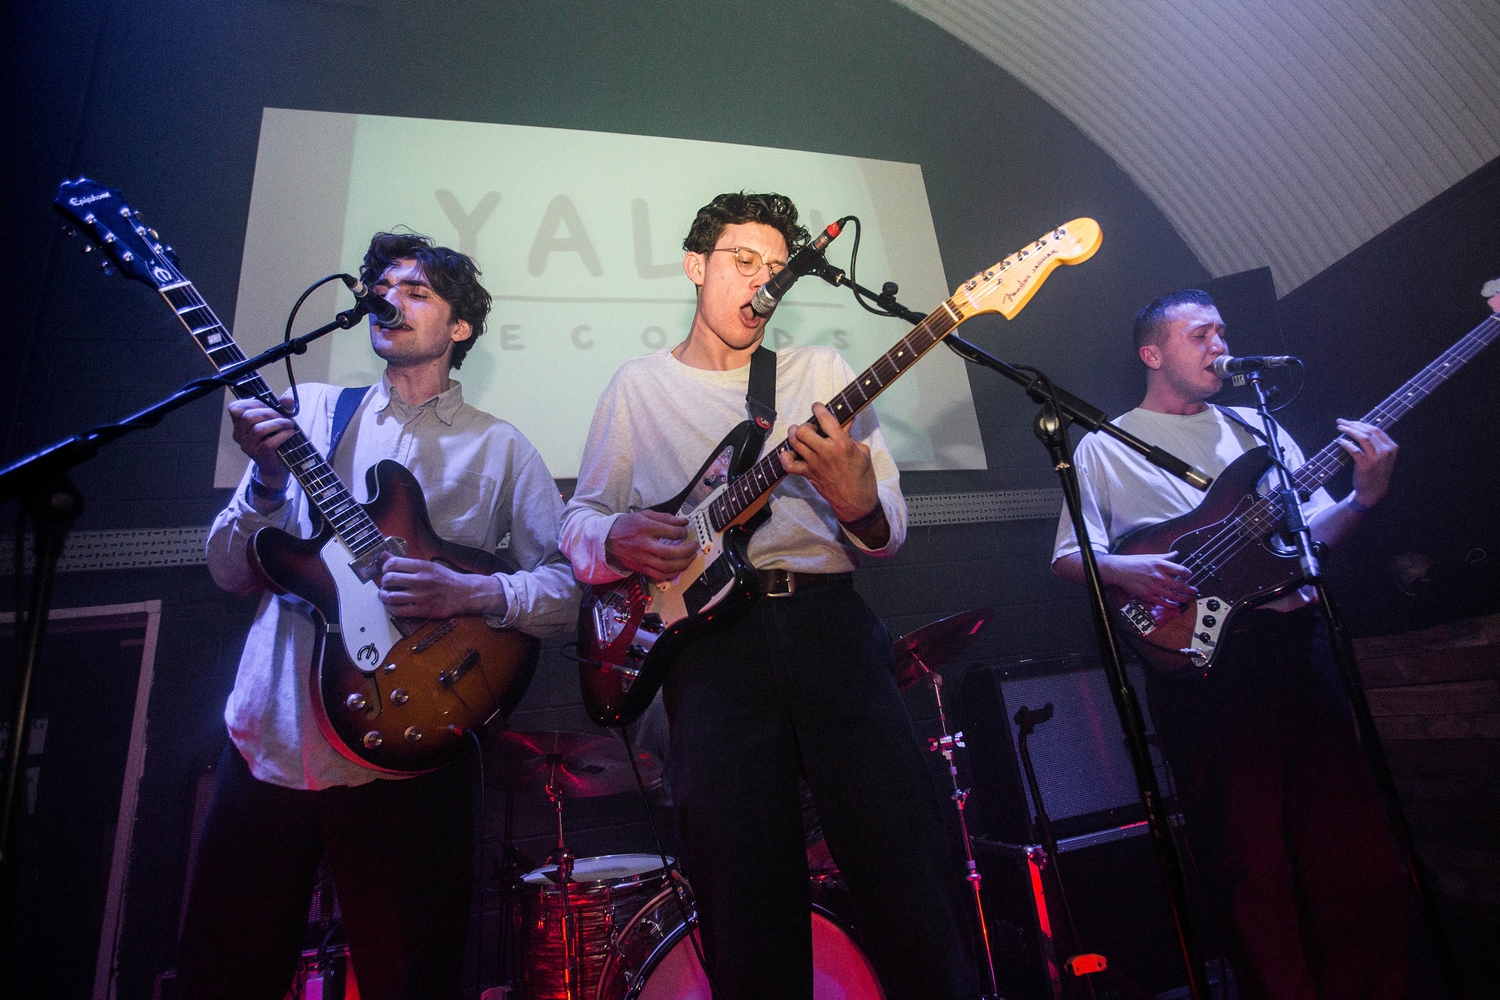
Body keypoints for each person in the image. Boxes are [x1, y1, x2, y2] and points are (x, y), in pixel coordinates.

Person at [560, 192, 978, 999]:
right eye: (743, 262)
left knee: (906, 874)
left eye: (776, 270)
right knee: (746, 908)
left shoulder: (818, 372)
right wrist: (613, 539)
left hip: (828, 630)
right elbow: (578, 521)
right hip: (712, 663)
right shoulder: (635, 388)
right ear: (695, 266)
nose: (761, 282)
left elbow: (888, 533)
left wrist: (855, 499)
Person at [178, 232, 579, 1000]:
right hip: (271, 741)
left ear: (461, 327)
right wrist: (264, 481)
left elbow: (564, 595)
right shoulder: (313, 414)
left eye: (418, 289)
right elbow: (231, 570)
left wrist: (471, 594)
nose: (390, 298)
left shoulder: (502, 449)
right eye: (383, 285)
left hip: (412, 754)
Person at [1051, 288, 1408, 999]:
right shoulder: (1104, 445)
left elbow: (1309, 546)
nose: (1220, 344)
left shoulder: (1260, 431)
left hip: (1298, 646)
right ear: (1153, 354)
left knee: (1352, 851)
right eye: (1201, 334)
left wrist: (1363, 499)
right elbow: (1070, 555)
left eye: (1222, 332)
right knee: (1251, 864)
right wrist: (1131, 568)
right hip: (1207, 666)